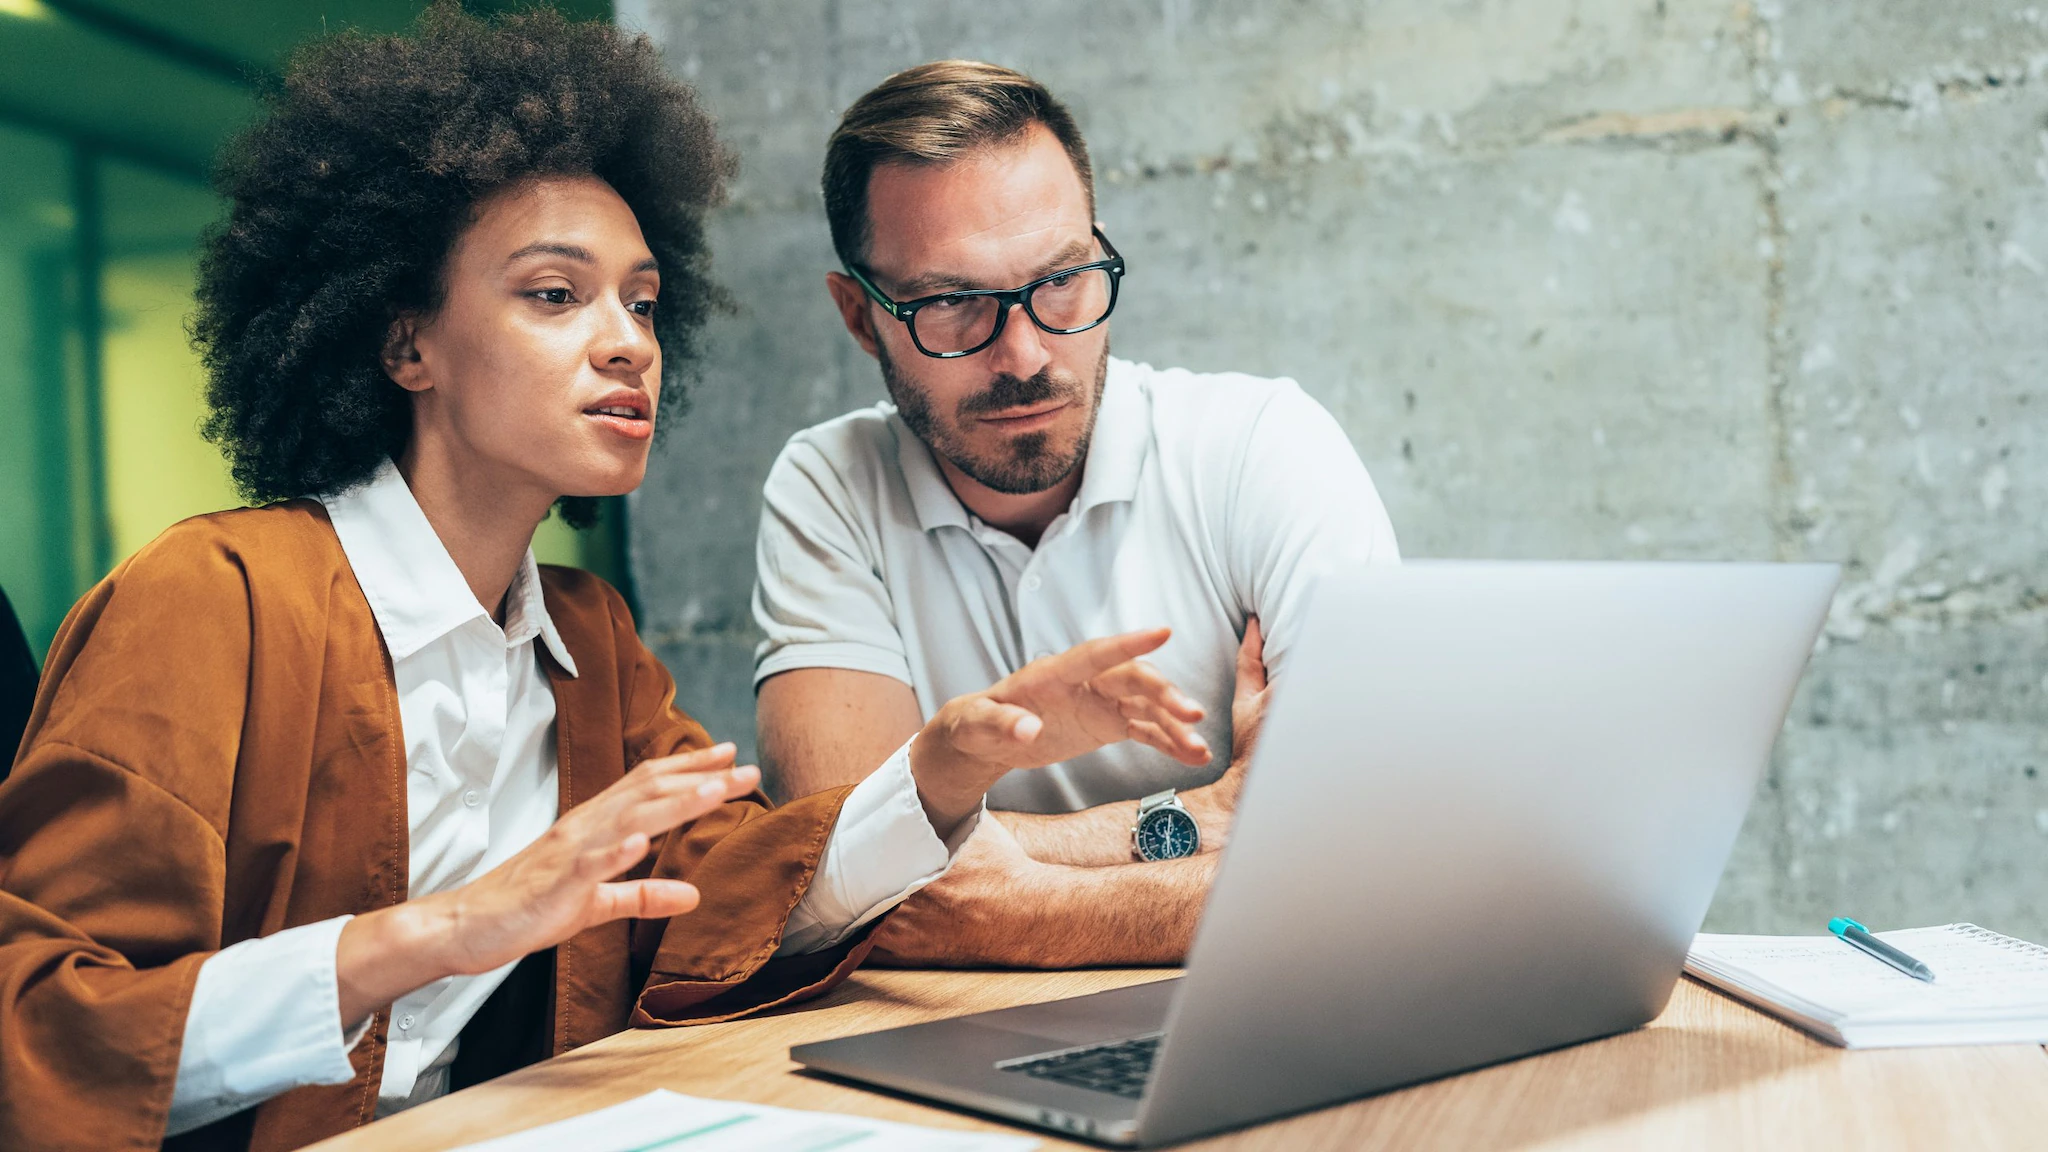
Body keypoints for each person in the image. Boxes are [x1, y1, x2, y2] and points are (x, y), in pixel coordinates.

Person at [0, 14, 1206, 1151]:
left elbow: (726, 890)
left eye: (640, 299)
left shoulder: (585, 638)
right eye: (552, 294)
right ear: (402, 340)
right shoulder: (211, 600)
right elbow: (41, 1031)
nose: (628, 340)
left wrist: (941, 767)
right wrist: (434, 935)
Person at [752, 61, 1400, 968]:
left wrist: (1021, 907)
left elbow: (1376, 854)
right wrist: (1200, 818)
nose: (1024, 354)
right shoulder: (831, 485)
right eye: (951, 303)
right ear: (861, 317)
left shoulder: (1261, 446)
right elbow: (831, 877)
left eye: (1062, 282)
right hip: (955, 1038)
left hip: (1256, 1003)